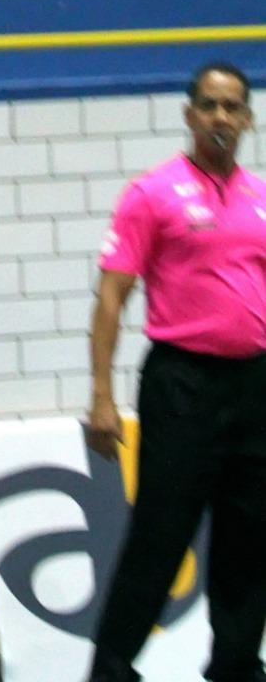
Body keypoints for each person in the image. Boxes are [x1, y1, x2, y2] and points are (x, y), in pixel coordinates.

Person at [82, 60, 266, 682]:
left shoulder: (260, 198)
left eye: (232, 107)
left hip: (254, 387)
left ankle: (236, 665)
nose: (220, 118)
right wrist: (102, 398)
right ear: (189, 116)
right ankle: (111, 669)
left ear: (248, 118)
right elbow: (111, 299)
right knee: (161, 535)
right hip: (182, 385)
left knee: (250, 537)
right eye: (209, 106)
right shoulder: (152, 193)